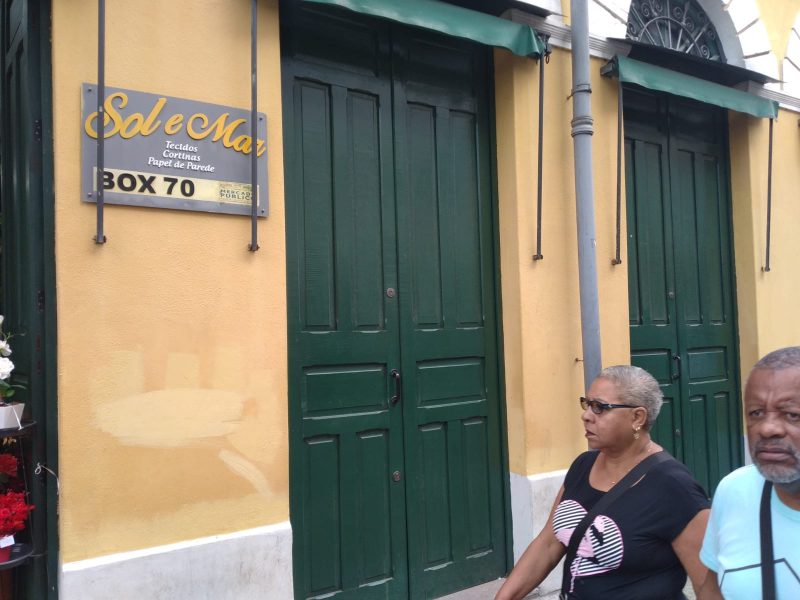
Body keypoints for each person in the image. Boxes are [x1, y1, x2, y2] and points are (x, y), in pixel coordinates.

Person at [495, 365, 710, 600]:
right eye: (586, 404)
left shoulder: (673, 486)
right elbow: (547, 545)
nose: (586, 415)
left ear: (637, 417)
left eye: (599, 407)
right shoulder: (582, 466)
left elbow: (708, 586)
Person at [698, 346, 800, 599]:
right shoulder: (735, 490)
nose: (767, 429)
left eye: (792, 414)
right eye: (756, 413)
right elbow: (712, 589)